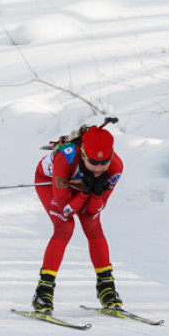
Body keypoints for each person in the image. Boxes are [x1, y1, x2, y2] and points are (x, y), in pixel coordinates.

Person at [32, 125, 124, 313]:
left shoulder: (115, 167)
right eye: (93, 162)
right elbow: (66, 209)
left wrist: (97, 194)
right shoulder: (65, 158)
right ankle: (44, 291)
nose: (99, 168)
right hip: (50, 184)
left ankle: (106, 287)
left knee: (93, 225)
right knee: (65, 227)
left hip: (79, 188)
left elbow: (93, 212)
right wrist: (84, 192)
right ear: (83, 154)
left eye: (103, 162)